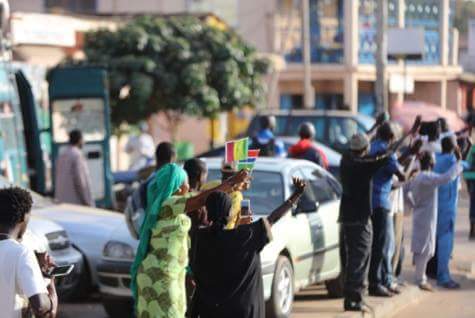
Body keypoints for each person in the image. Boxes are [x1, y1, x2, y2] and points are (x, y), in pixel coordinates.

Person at [131, 163, 249, 317]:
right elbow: (201, 199)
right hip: (159, 275)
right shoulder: (168, 204)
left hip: (168, 273)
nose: (188, 186)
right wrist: (232, 181)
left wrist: (233, 187)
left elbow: (201, 196)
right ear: (178, 187)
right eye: (186, 183)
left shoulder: (171, 207)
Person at [190, 178, 306, 318]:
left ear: (208, 213)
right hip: (244, 312)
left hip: (210, 312)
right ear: (229, 214)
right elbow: (273, 218)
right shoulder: (247, 236)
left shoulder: (199, 239)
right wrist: (296, 195)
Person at [339, 117, 420, 311]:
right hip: (360, 218)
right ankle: (355, 299)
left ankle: (351, 297)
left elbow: (382, 151)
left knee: (354, 260)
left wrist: (376, 130)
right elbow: (387, 154)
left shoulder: (347, 159)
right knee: (361, 259)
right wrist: (408, 141)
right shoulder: (364, 165)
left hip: (347, 217)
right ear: (364, 149)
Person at [405, 151, 463, 291]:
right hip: (425, 216)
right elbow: (446, 177)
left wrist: (413, 205)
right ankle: (420, 279)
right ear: (431, 162)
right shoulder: (427, 177)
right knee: (425, 248)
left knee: (424, 247)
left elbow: (405, 190)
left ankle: (421, 276)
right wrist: (459, 162)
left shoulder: (419, 176)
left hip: (422, 214)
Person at [0, 187, 58, 318]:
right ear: (23, 217)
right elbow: (40, 306)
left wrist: (39, 275)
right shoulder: (21, 253)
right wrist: (51, 286)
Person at [368, 122, 409, 297]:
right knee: (381, 246)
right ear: (391, 138)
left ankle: (375, 281)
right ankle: (377, 283)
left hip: (369, 201)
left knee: (374, 245)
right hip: (382, 203)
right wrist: (410, 168)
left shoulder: (372, 148)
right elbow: (401, 175)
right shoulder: (389, 155)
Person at [433, 137, 464, 289]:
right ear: (453, 148)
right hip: (447, 207)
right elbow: (463, 165)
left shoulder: (436, 158)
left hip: (434, 205)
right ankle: (443, 277)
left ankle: (436, 273)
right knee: (445, 242)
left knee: (435, 241)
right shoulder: (452, 161)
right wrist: (461, 153)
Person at [54, 130, 94, 206]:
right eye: (83, 139)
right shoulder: (77, 155)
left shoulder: (62, 155)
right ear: (79, 140)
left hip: (61, 201)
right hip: (75, 203)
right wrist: (87, 201)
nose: (84, 142)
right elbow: (81, 181)